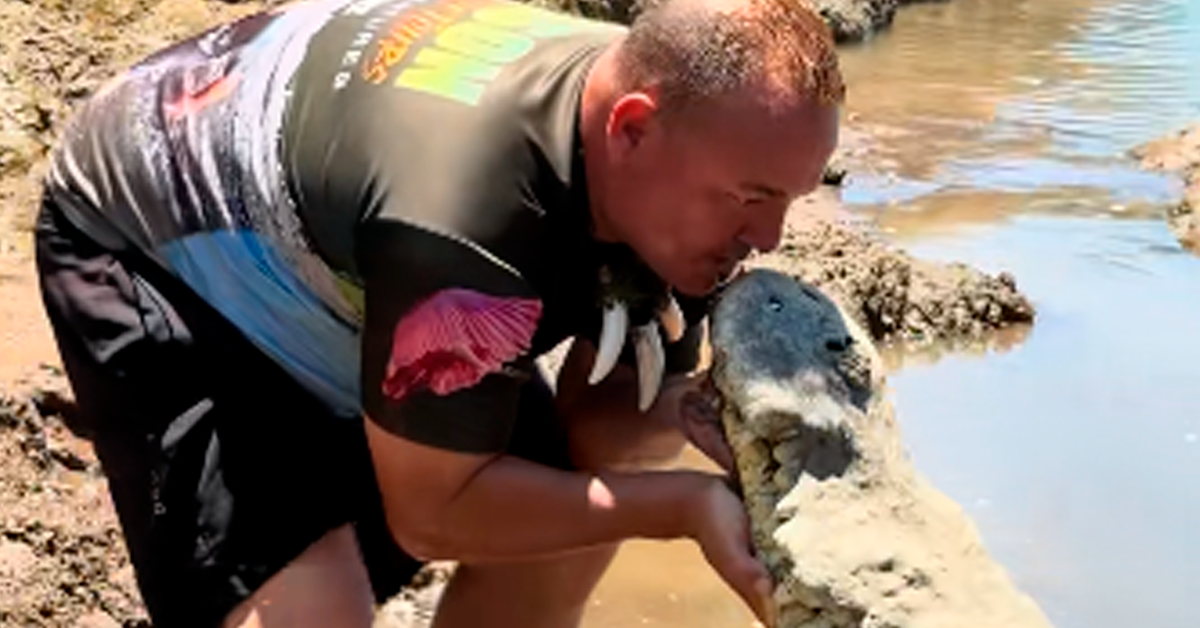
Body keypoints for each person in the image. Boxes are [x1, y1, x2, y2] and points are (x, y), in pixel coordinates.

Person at [33, 0, 842, 625]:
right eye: (752, 198)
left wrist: (707, 417)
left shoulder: (677, 162)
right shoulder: (470, 221)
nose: (766, 237)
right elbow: (433, 513)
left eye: (788, 200)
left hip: (352, 239)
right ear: (631, 128)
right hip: (166, 246)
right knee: (320, 607)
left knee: (567, 523)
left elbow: (601, 430)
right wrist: (688, 509)